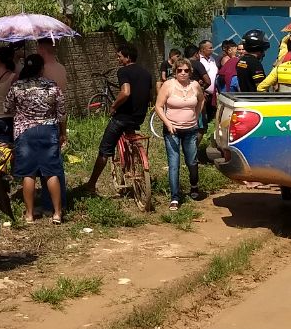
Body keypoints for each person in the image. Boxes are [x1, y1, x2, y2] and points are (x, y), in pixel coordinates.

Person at [74, 43, 153, 193]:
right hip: (138, 117)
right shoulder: (146, 73)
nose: (118, 59)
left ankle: (91, 184)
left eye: (119, 56)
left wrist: (114, 106)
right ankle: (132, 163)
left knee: (104, 150)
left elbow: (126, 92)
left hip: (122, 117)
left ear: (127, 57)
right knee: (130, 139)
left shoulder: (123, 71)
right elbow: (149, 96)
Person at [4, 54, 66, 224]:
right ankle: (57, 213)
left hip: (24, 133)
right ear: (41, 69)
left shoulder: (17, 86)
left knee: (28, 174)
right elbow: (61, 113)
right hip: (48, 131)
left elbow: (7, 107)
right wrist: (62, 133)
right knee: (51, 172)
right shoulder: (52, 86)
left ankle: (29, 215)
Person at [154, 58, 205, 210]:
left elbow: (201, 101)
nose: (183, 73)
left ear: (190, 72)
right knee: (174, 163)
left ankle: (194, 186)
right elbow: (158, 106)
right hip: (172, 131)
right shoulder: (168, 85)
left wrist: (196, 117)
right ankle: (175, 197)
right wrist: (168, 123)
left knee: (192, 161)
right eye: (179, 70)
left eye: (186, 70)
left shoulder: (195, 85)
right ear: (174, 72)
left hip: (190, 130)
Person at [196, 39, 219, 128]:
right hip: (203, 94)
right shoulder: (199, 61)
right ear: (202, 49)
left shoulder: (212, 59)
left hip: (213, 94)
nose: (212, 50)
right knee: (203, 119)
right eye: (210, 48)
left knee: (212, 117)